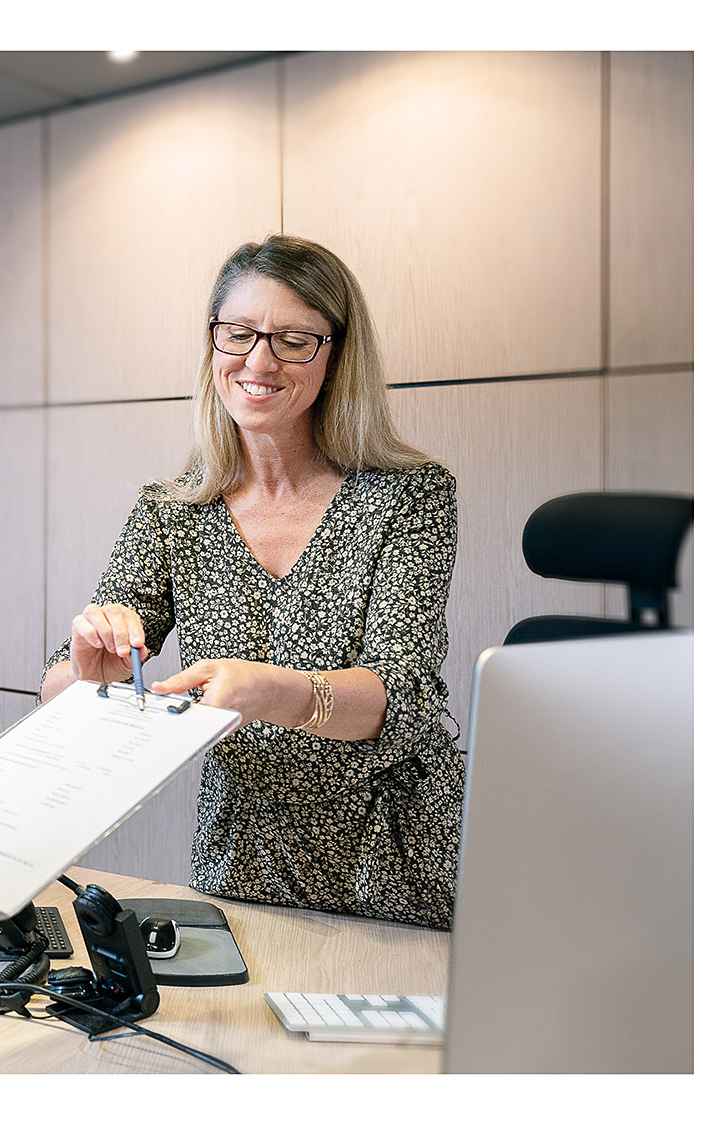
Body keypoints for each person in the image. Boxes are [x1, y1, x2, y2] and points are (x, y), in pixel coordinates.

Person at [39, 234, 463, 930]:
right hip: (243, 850)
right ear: (214, 343)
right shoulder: (172, 509)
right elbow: (59, 683)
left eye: (293, 339)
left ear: (336, 353)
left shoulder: (409, 496)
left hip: (396, 844)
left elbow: (403, 694)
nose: (258, 361)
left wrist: (268, 689)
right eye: (239, 334)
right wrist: (94, 678)